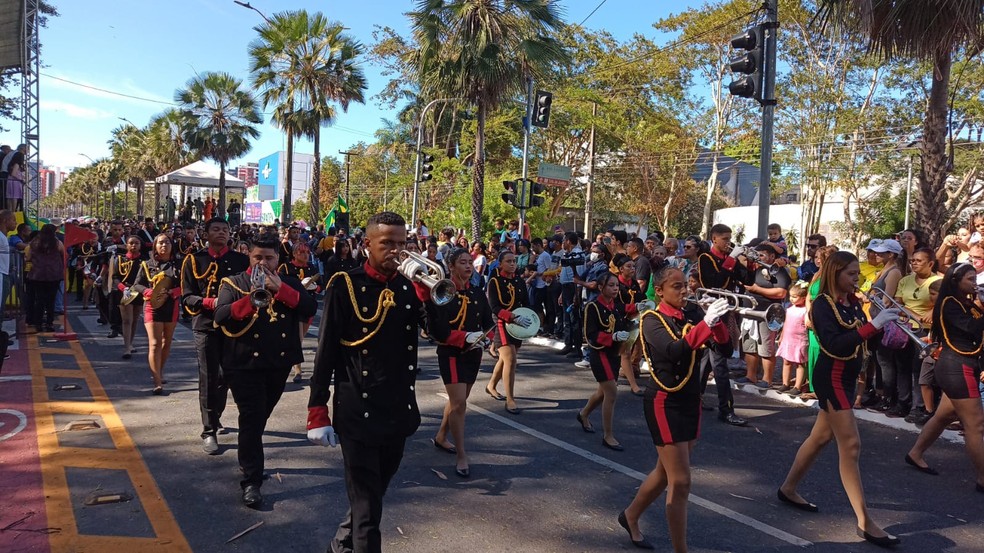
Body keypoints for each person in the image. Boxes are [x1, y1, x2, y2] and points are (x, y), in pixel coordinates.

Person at [307, 211, 425, 553]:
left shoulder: (408, 286)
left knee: (373, 496)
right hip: (359, 411)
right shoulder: (345, 284)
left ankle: (339, 544)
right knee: (368, 512)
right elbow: (326, 350)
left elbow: (437, 330)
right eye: (387, 243)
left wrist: (430, 294)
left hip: (398, 411)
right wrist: (317, 409)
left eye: (402, 243)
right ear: (367, 244)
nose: (396, 251)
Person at [778, 251, 902, 548]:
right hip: (831, 376)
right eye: (851, 274)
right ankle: (865, 521)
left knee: (820, 438)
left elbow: (863, 339)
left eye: (857, 274)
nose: (856, 279)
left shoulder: (853, 302)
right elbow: (835, 343)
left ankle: (788, 488)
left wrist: (884, 323)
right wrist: (872, 325)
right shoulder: (823, 305)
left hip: (848, 374)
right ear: (835, 274)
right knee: (851, 444)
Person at [617, 266, 731, 551]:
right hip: (664, 402)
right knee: (680, 482)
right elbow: (673, 350)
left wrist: (717, 323)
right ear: (660, 291)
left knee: (666, 472)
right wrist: (706, 323)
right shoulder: (652, 319)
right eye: (677, 287)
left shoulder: (693, 315)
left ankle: (630, 516)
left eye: (685, 286)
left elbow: (726, 351)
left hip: (691, 399)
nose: (684, 291)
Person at [212, 230, 316, 508]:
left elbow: (309, 305)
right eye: (257, 256)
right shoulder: (233, 282)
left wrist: (280, 289)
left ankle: (250, 460)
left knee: (259, 418)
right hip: (243, 363)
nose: (263, 263)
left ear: (277, 258)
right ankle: (251, 480)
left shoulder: (289, 281)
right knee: (252, 417)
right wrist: (250, 300)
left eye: (268, 258)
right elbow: (220, 315)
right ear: (249, 255)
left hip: (278, 363)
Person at [905, 262, 984, 489]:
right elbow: (971, 328)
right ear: (955, 281)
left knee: (944, 416)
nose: (974, 283)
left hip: (960, 365)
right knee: (975, 424)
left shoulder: (964, 302)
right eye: (970, 279)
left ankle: (915, 453)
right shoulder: (950, 303)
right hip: (957, 367)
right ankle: (982, 478)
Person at [181, 217, 250, 455]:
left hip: (234, 325)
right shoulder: (194, 260)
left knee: (226, 376)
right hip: (206, 324)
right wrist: (209, 302)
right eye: (216, 229)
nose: (221, 233)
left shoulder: (241, 260)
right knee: (208, 376)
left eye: (225, 229)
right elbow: (187, 296)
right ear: (206, 233)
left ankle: (216, 413)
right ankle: (208, 429)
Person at [424, 247, 494, 478]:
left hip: (473, 355)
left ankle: (441, 436)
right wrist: (463, 337)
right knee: (460, 404)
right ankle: (462, 454)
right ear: (451, 266)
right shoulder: (442, 292)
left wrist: (488, 340)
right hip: (451, 353)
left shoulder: (476, 292)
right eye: (462, 262)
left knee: (458, 402)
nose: (468, 266)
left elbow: (486, 322)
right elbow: (438, 330)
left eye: (470, 262)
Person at [579, 272, 648, 451]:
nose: (615, 288)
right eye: (611, 285)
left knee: (602, 393)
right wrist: (612, 336)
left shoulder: (615, 305)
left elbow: (628, 309)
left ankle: (584, 414)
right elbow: (590, 335)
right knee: (611, 393)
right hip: (600, 354)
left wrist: (641, 306)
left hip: (614, 354)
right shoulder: (592, 307)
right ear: (601, 287)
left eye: (616, 285)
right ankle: (608, 435)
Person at [695, 223, 751, 426]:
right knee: (719, 362)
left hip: (728, 311)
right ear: (714, 239)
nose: (729, 242)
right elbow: (714, 283)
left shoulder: (729, 258)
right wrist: (731, 259)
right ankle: (726, 410)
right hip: (713, 311)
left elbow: (747, 280)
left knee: (708, 359)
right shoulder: (705, 258)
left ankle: (695, 397)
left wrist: (750, 263)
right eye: (725, 239)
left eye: (730, 238)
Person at [484, 250, 534, 414]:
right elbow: (495, 306)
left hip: (518, 324)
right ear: (500, 264)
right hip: (502, 322)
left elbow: (526, 303)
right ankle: (510, 399)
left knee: (506, 360)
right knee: (511, 359)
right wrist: (511, 316)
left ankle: (491, 385)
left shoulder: (519, 281)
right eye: (508, 261)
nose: (512, 264)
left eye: (514, 261)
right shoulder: (495, 281)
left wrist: (530, 321)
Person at [133, 234, 182, 394]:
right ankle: (157, 381)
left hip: (171, 306)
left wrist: (173, 292)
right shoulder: (147, 265)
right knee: (154, 343)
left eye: (167, 242)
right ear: (155, 246)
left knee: (166, 342)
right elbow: (137, 285)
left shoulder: (179, 264)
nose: (164, 245)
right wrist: (148, 291)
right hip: (152, 307)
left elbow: (186, 285)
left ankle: (159, 371)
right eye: (160, 242)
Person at [738, 242, 790, 388]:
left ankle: (767, 380)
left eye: (761, 255)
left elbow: (781, 292)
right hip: (750, 312)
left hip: (768, 314)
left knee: (766, 348)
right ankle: (751, 376)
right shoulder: (753, 269)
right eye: (756, 255)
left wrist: (757, 289)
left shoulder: (779, 271)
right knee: (749, 346)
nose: (758, 257)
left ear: (772, 256)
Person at [278, 242, 320, 383]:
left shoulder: (312, 267)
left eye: (307, 252)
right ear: (295, 253)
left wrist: (315, 287)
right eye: (302, 252)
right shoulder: (285, 267)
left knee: (299, 339)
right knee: (298, 338)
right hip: (291, 306)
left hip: (308, 306)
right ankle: (297, 370)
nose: (305, 255)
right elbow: (279, 284)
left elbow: (321, 284)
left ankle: (292, 365)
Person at [612, 253, 645, 396]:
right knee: (616, 353)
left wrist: (644, 305)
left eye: (633, 266)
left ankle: (634, 386)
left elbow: (641, 298)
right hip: (617, 320)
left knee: (626, 351)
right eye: (629, 266)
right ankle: (611, 381)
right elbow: (616, 305)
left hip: (633, 320)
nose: (632, 269)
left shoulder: (634, 283)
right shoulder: (615, 283)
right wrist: (633, 307)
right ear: (620, 269)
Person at [25, 224, 65, 333]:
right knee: (51, 301)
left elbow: (28, 258)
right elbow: (64, 256)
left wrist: (28, 269)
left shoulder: (34, 243)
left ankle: (38, 323)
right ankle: (49, 323)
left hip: (37, 275)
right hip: (54, 275)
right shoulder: (57, 243)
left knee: (39, 300)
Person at [112, 236, 144, 358]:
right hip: (125, 291)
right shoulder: (120, 260)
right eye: (131, 243)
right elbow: (115, 277)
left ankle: (130, 343)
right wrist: (122, 287)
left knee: (135, 319)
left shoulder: (144, 261)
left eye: (136, 243)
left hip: (139, 291)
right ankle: (126, 348)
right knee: (127, 320)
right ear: (127, 245)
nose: (134, 245)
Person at [777, 281, 810, 395]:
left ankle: (797, 386)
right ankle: (785, 383)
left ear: (804, 298)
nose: (791, 299)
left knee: (800, 363)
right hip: (788, 339)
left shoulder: (806, 310)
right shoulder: (790, 308)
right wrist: (781, 336)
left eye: (795, 297)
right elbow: (785, 323)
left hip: (800, 341)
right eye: (790, 296)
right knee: (786, 361)